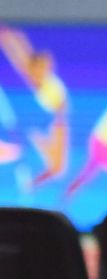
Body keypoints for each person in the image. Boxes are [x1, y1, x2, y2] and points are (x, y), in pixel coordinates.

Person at [0, 25, 69, 188]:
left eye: (47, 64)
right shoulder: (35, 77)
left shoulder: (37, 77)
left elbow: (24, 55)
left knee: (57, 169)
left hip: (56, 120)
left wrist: (11, 36)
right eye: (44, 64)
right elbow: (21, 57)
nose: (48, 65)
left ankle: (31, 183)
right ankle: (31, 183)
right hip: (55, 121)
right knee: (57, 168)